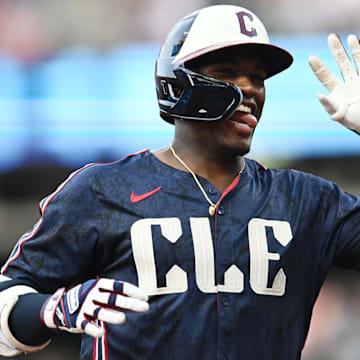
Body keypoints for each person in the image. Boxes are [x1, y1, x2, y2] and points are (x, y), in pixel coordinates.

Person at [0, 4, 360, 360]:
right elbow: (7, 300)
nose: (250, 90)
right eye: (227, 72)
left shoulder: (306, 200)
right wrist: (54, 308)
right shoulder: (102, 190)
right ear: (177, 82)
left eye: (259, 78)